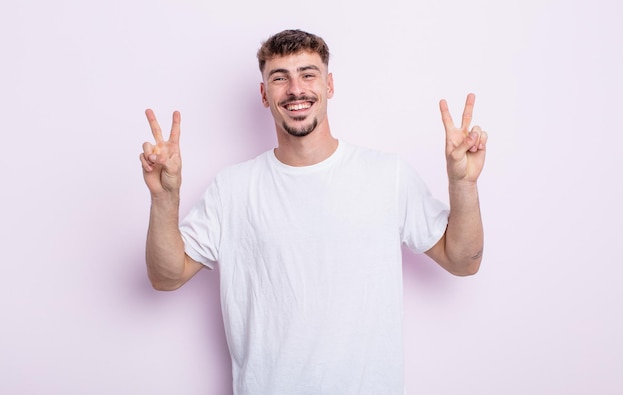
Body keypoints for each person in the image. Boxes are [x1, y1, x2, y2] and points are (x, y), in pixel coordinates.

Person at [139, 29, 487, 395]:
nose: (295, 89)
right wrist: (164, 200)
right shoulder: (232, 188)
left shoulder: (387, 174)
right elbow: (167, 276)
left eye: (308, 74)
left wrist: (463, 185)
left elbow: (463, 261)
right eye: (279, 78)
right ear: (264, 94)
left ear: (329, 85)